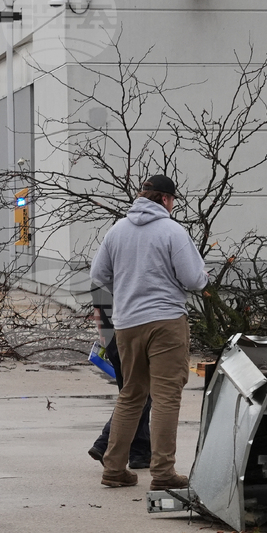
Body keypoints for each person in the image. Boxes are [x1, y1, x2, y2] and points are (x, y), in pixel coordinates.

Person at [89, 175, 208, 489]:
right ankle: (163, 472)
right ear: (167, 200)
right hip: (166, 321)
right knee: (167, 396)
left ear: (143, 196)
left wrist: (128, 289)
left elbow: (98, 274)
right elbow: (194, 279)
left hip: (127, 323)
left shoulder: (118, 230)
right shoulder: (172, 231)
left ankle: (114, 468)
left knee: (131, 395)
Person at [87, 285, 151, 470]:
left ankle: (140, 452)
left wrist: (105, 337)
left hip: (115, 337)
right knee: (136, 396)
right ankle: (105, 442)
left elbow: (99, 305)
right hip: (130, 334)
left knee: (134, 394)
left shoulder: (104, 270)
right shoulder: (129, 270)